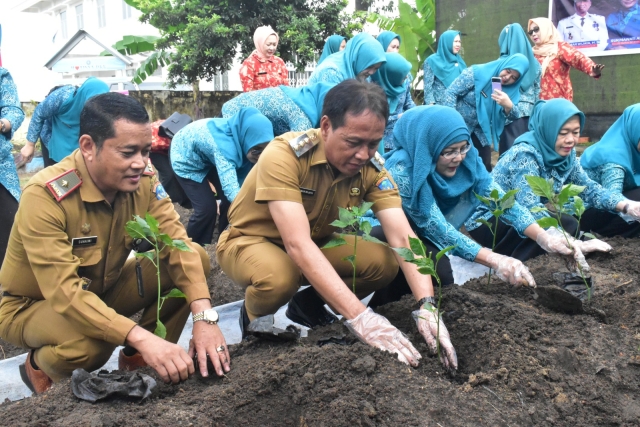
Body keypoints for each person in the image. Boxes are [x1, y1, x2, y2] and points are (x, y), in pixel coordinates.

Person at [216, 80, 458, 371]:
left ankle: (307, 306)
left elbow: (404, 238)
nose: (363, 154)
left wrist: (427, 305)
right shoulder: (285, 156)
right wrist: (361, 317)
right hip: (251, 241)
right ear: (327, 126)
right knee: (280, 277)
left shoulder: (370, 169)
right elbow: (297, 244)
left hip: (316, 243)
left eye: (374, 143)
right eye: (354, 142)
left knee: (382, 261)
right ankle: (254, 321)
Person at [0, 93, 230, 394]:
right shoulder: (45, 196)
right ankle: (40, 367)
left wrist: (205, 317)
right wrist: (140, 335)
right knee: (92, 345)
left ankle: (139, 363)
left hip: (101, 289)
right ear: (88, 147)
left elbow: (176, 242)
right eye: (128, 152)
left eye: (146, 151)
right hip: (32, 306)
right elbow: (65, 294)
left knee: (194, 257)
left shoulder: (142, 181)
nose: (141, 163)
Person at [367, 106, 599, 308]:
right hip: (385, 231)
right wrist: (496, 260)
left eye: (463, 148)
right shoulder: (402, 171)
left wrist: (544, 237)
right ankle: (383, 309)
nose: (458, 157)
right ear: (427, 147)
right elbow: (436, 227)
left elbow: (501, 199)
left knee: (439, 277)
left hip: (421, 233)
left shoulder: (468, 158)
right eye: (448, 152)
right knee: (427, 272)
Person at [491, 98, 640, 240]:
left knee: (565, 226)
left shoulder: (567, 154)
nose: (570, 140)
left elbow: (589, 189)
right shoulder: (526, 155)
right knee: (566, 227)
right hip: (495, 218)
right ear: (548, 129)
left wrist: (627, 206)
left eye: (576, 132)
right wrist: (567, 241)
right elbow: (529, 205)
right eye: (563, 133)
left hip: (520, 215)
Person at [170, 107, 275, 245]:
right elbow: (234, 193)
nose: (262, 156)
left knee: (228, 202)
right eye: (256, 150)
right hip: (186, 157)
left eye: (267, 149)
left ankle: (225, 238)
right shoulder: (225, 148)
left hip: (209, 157)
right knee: (207, 209)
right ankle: (194, 247)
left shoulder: (242, 137)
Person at [442, 53, 529, 171]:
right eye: (508, 71)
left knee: (484, 165)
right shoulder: (476, 73)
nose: (507, 77)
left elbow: (513, 116)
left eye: (514, 77)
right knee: (456, 161)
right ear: (504, 64)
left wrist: (508, 105)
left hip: (480, 131)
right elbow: (451, 93)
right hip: (457, 125)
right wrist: (452, 121)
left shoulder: (511, 91)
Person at [579, 103, 640, 237]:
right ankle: (606, 235)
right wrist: (631, 207)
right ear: (634, 130)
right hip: (585, 212)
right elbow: (611, 198)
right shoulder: (613, 159)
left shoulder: (634, 148)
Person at [22, 78, 109, 165]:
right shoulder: (63, 96)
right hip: (53, 136)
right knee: (56, 173)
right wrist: (30, 145)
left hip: (78, 140)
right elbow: (39, 113)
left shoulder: (103, 109)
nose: (94, 108)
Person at [528, 17, 604, 101]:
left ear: (546, 29)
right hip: (538, 105)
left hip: (560, 103)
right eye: (530, 32)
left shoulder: (559, 47)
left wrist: (591, 69)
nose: (533, 34)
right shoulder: (531, 53)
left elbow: (578, 58)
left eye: (536, 29)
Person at [221, 82, 335, 137]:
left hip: (233, 112)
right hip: (232, 118)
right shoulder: (302, 114)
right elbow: (298, 149)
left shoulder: (302, 98)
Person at [497, 23, 542, 154]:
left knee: (509, 155)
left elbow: (496, 90)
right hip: (530, 116)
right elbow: (537, 91)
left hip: (509, 113)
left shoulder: (503, 63)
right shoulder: (535, 63)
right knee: (528, 152)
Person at [374, 32, 416, 152]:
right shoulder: (373, 79)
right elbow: (373, 116)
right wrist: (400, 117)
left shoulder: (403, 75)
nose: (396, 51)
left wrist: (417, 112)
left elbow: (408, 102)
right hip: (380, 141)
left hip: (401, 137)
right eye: (393, 47)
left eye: (398, 47)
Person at [0, 67, 25, 266]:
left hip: (1, 170)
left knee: (10, 231)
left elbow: (13, 110)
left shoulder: (1, 75)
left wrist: (3, 123)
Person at [307, 33, 386, 85]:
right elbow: (332, 108)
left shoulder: (361, 74)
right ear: (358, 59)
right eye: (369, 66)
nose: (372, 72)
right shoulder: (331, 72)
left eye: (376, 68)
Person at [239, 26, 290, 92]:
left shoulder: (279, 62)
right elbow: (248, 93)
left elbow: (287, 89)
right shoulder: (249, 64)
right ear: (260, 43)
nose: (272, 48)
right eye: (268, 44)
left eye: (274, 45)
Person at [423, 30, 466, 106]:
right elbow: (428, 88)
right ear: (447, 42)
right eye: (455, 41)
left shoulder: (460, 62)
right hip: (439, 107)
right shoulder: (431, 61)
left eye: (459, 42)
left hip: (458, 106)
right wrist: (432, 106)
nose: (458, 44)